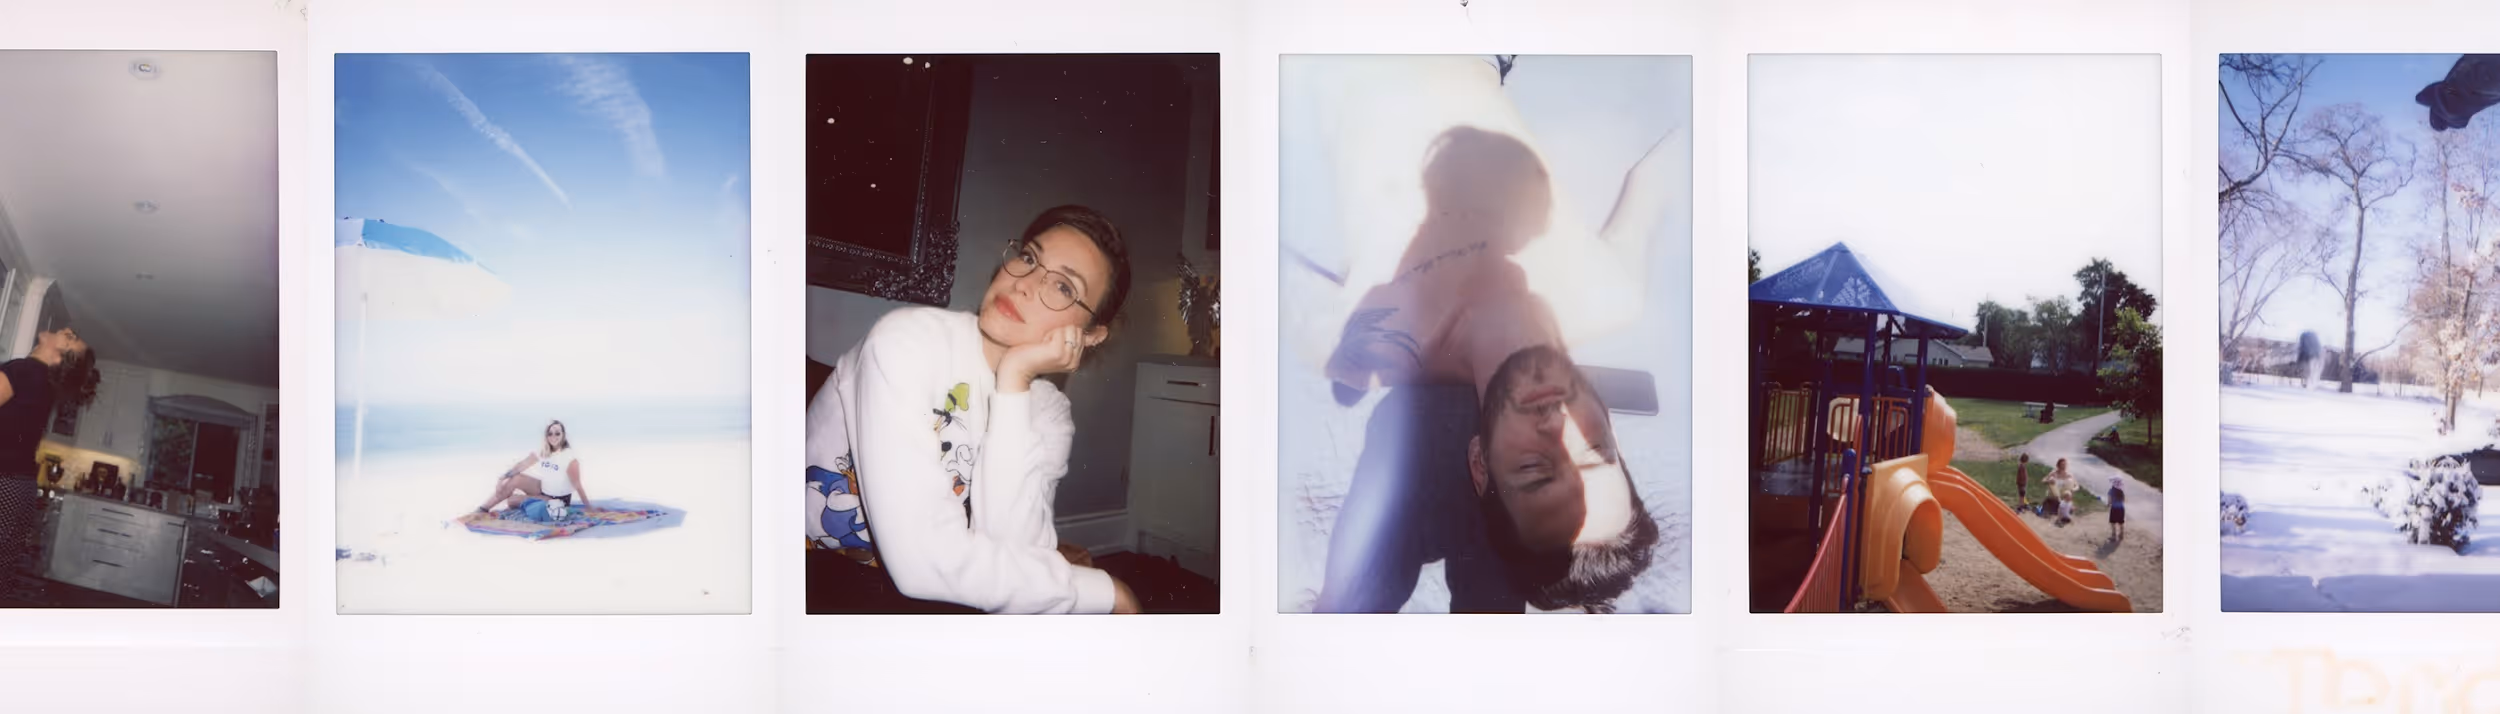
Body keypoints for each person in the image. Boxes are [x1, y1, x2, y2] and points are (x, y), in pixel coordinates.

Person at [1291, 56, 1683, 613]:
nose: (1560, 426)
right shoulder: (1613, 294)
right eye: (1596, 452)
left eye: (1535, 470)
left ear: (1480, 462)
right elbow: (1675, 161)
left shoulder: (1357, 343)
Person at [805, 205, 1143, 615]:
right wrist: (1104, 592)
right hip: (805, 571)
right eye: (1029, 257)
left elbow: (1017, 554)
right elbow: (921, 564)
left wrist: (1013, 381)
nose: (1024, 283)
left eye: (1063, 287)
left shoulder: (1050, 413)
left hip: (924, 592)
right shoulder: (905, 341)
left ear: (1090, 335)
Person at [0, 328, 99, 593]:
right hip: (20, 488)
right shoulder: (43, 384)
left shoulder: (25, 370)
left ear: (61, 355)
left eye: (71, 337)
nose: (67, 330)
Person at [474, 420, 589, 517]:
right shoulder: (543, 452)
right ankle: (483, 509)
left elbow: (577, 485)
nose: (553, 437)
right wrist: (501, 479)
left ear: (563, 435)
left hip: (558, 500)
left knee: (511, 501)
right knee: (516, 478)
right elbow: (521, 465)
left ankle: (530, 502)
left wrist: (588, 507)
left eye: (557, 433)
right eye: (550, 434)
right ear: (546, 436)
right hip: (543, 490)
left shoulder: (569, 456)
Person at [2108, 478, 2127, 545]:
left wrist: (2108, 504)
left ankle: (2114, 536)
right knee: (2121, 522)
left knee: (2113, 522)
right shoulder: (2121, 491)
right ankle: (2121, 535)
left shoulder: (2111, 491)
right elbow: (2124, 500)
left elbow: (2110, 501)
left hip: (2114, 508)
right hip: (2121, 508)